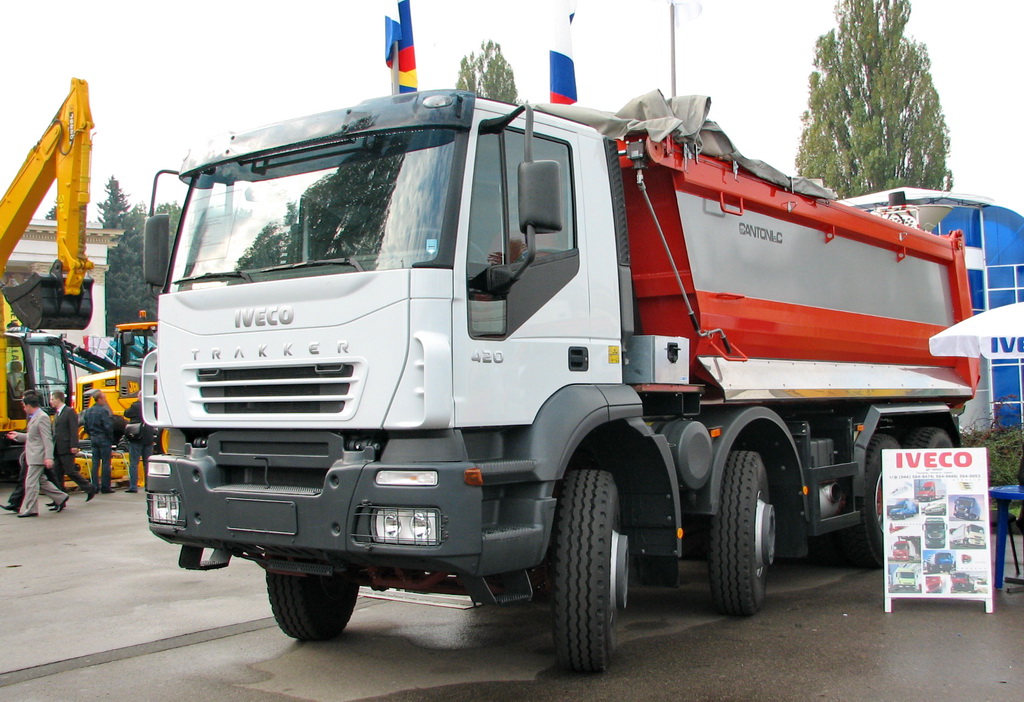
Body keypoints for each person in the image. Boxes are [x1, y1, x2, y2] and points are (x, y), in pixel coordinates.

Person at [7, 392, 67, 517]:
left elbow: (47, 438)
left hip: (37, 456)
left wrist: (49, 457)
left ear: (29, 405)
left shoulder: (42, 417)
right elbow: (33, 436)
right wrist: (18, 436)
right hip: (33, 455)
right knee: (42, 482)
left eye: (24, 406)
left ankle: (31, 509)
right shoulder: (35, 417)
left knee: (30, 483)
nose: (23, 409)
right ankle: (61, 497)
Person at [51, 390, 96, 501]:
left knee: (70, 471)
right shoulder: (57, 413)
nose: (50, 401)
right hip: (57, 448)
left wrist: (74, 445)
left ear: (58, 399)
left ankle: (89, 488)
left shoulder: (69, 412)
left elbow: (73, 429)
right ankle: (59, 498)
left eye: (52, 399)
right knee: (57, 473)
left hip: (67, 447)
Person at [81, 389, 115, 494]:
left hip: (93, 438)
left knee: (95, 463)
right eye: (104, 398)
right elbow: (107, 426)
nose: (105, 400)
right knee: (106, 463)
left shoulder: (88, 411)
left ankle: (94, 486)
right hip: (103, 438)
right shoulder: (103, 411)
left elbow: (85, 426)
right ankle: (105, 487)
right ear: (99, 399)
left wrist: (91, 434)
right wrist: (110, 438)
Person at [123, 392, 154, 493]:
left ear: (140, 396)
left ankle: (133, 486)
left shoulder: (135, 405)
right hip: (148, 437)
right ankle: (149, 485)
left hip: (136, 437)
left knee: (134, 463)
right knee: (147, 463)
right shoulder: (150, 405)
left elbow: (126, 413)